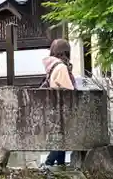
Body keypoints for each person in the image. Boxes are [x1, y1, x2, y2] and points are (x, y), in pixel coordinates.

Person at [42, 38, 76, 167]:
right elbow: (69, 90)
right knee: (61, 138)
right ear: (64, 53)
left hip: (54, 108)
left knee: (61, 138)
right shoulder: (61, 67)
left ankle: (60, 164)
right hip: (62, 108)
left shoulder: (52, 66)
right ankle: (48, 163)